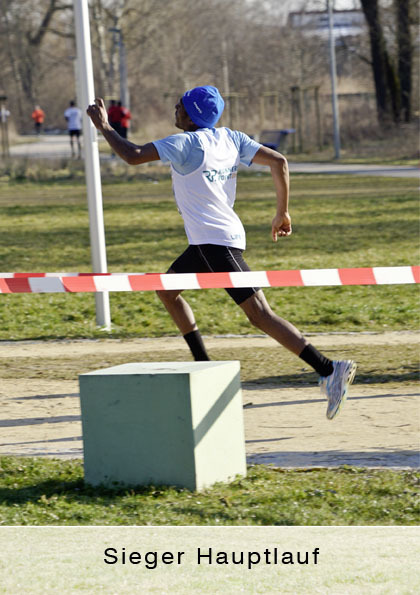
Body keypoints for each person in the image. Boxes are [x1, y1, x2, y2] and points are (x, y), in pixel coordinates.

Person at [87, 85, 356, 420]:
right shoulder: (230, 138)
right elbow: (279, 161)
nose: (175, 108)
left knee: (259, 314)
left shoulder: (185, 143)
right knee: (167, 291)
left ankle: (329, 369)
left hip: (216, 244)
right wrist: (282, 212)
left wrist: (105, 127)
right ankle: (205, 370)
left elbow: (132, 154)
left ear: (190, 114)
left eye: (180, 105)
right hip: (209, 243)